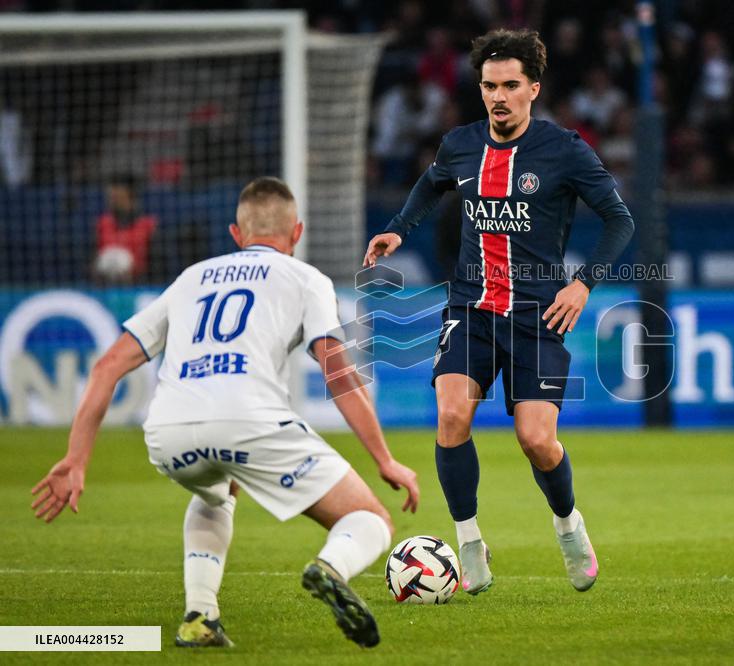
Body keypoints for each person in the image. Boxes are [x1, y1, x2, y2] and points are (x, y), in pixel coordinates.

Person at [32, 177, 419, 649]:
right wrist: (384, 459)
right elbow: (337, 372)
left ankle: (200, 617)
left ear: (236, 235)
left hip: (168, 433)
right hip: (248, 421)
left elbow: (107, 366)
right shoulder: (306, 278)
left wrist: (75, 460)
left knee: (217, 491)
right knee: (370, 519)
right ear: (296, 233)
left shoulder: (191, 278)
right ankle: (330, 569)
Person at [363, 29, 634, 595]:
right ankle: (468, 541)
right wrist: (396, 229)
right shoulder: (460, 145)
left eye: (511, 85)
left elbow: (620, 220)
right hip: (472, 307)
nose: (499, 96)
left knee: (536, 438)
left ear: (533, 88)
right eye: (489, 86)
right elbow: (431, 184)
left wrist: (584, 285)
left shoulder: (565, 150)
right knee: (452, 415)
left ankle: (568, 525)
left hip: (538, 314)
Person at [93, 174, 158, 283]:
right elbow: (92, 262)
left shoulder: (149, 226)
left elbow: (156, 267)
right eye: (110, 197)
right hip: (104, 288)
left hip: (139, 286)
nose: (112, 200)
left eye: (116, 197)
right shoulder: (102, 224)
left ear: (131, 197)